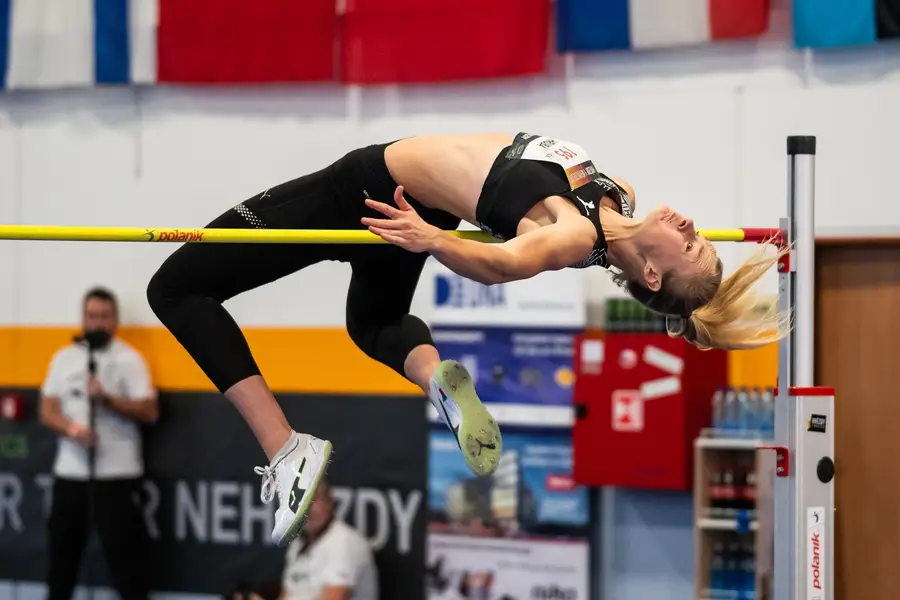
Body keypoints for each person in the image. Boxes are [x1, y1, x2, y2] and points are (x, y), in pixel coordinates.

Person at [146, 132, 788, 546]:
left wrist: (435, 242)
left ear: (653, 272)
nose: (693, 227)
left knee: (175, 290)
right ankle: (435, 380)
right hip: (414, 202)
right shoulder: (621, 200)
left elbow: (506, 262)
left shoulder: (573, 234)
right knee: (371, 325)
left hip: (368, 191)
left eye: (691, 247)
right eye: (701, 239)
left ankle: (287, 447)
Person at [39, 286, 158, 600]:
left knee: (127, 564)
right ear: (83, 318)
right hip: (71, 474)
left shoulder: (129, 359)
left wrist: (107, 400)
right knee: (60, 563)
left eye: (105, 317)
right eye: (93, 316)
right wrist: (72, 429)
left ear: (115, 320)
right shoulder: (63, 358)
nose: (98, 323)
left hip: (115, 477)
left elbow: (149, 410)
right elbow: (47, 408)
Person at [279, 479, 378, 600]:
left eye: (314, 500)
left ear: (329, 501)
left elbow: (335, 596)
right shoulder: (297, 544)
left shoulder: (344, 540)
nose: (308, 508)